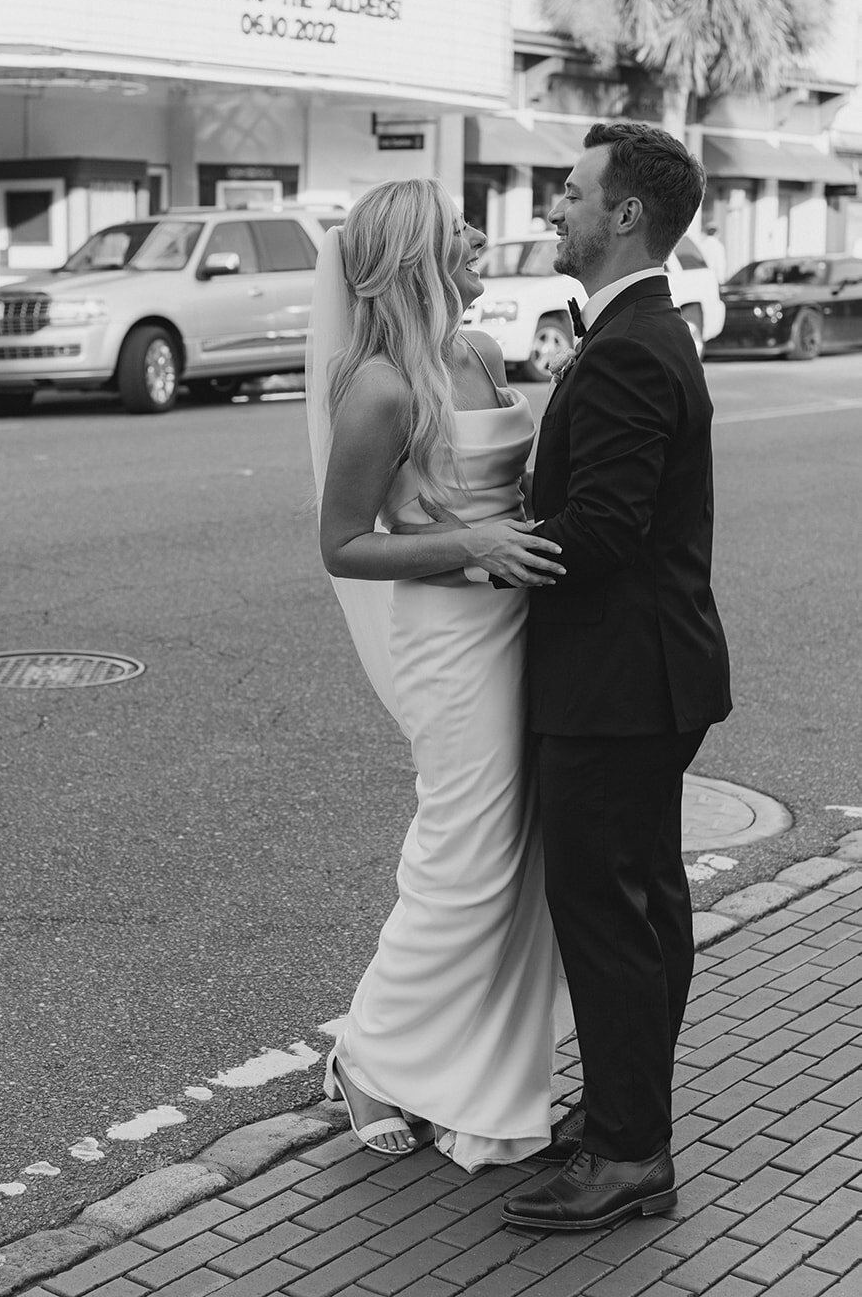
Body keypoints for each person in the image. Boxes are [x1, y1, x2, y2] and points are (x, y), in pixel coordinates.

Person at [490, 121, 733, 1231]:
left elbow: (604, 530)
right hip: (643, 675)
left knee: (607, 917)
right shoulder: (637, 328)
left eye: (571, 192)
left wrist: (487, 547)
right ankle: (627, 1127)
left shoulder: (633, 342)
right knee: (644, 912)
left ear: (623, 214)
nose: (554, 207)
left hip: (617, 684)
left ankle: (628, 1152)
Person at [306, 178, 572, 1172]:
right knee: (462, 864)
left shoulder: (478, 352)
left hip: (518, 623)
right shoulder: (374, 385)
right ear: (413, 254)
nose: (474, 232)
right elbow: (341, 545)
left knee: (519, 861)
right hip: (450, 641)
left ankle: (467, 1068)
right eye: (453, 224)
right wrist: (470, 547)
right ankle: (366, 1054)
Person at [699, 219, 727, 285]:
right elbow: (720, 264)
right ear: (716, 233)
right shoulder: (719, 246)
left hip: (703, 278)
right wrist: (721, 280)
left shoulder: (701, 245)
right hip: (714, 279)